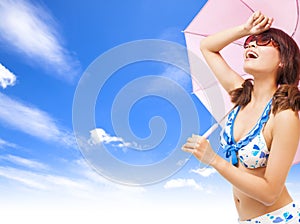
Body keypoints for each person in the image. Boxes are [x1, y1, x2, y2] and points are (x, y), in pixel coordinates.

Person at [182, 11, 300, 223]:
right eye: (249, 43)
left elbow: (270, 193)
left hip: (278, 219)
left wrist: (213, 160)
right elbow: (207, 47)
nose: (250, 46)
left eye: (264, 42)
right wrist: (245, 29)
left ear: (283, 59)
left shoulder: (284, 116)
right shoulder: (241, 94)